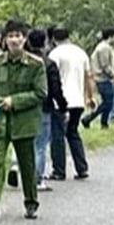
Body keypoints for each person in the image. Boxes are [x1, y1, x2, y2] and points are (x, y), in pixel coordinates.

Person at [0, 19, 48, 221]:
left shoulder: (35, 65)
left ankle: (31, 202)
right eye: (11, 36)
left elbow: (40, 93)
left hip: (24, 123)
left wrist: (14, 101)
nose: (15, 40)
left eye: (18, 36)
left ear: (24, 39)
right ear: (4, 40)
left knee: (27, 165)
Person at [48, 27, 93, 180]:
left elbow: (52, 77)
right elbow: (88, 76)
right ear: (69, 36)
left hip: (61, 101)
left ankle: (59, 170)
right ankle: (82, 168)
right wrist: (89, 96)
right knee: (73, 133)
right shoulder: (81, 52)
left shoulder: (55, 54)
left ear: (54, 39)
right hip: (78, 100)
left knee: (58, 136)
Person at [27, 29, 67, 190]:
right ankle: (37, 180)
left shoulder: (24, 61)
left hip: (25, 107)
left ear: (28, 42)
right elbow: (56, 88)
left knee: (26, 143)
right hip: (44, 107)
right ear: (44, 42)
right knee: (41, 145)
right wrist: (63, 106)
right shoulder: (49, 63)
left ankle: (22, 172)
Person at [83, 28, 114, 129]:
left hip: (102, 78)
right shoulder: (104, 48)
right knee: (107, 102)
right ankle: (89, 118)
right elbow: (105, 65)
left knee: (108, 102)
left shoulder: (104, 47)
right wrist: (113, 76)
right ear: (111, 37)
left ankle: (103, 123)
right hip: (102, 78)